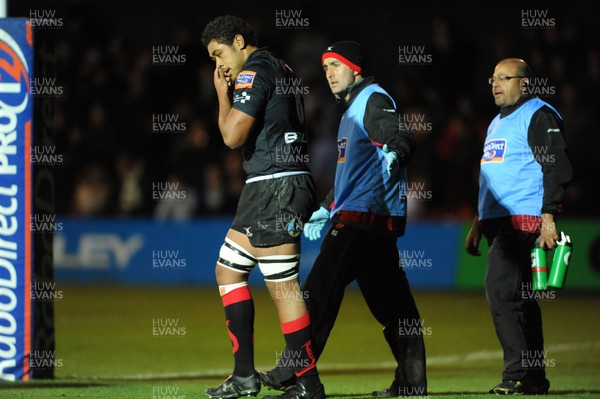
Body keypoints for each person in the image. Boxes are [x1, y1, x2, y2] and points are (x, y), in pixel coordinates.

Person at [258, 41, 427, 398]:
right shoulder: (352, 109)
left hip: (360, 220)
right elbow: (356, 172)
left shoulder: (372, 100)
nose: (329, 73)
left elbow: (400, 135)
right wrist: (328, 204)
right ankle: (412, 384)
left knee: (317, 294)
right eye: (326, 67)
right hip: (367, 219)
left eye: (336, 65)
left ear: (356, 68)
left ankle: (296, 372)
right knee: (395, 307)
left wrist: (396, 150)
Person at [200, 15, 325, 399]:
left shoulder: (255, 72)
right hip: (269, 186)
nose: (218, 65)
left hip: (277, 186)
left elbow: (232, 135)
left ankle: (309, 384)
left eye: (219, 54)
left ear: (239, 41)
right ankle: (244, 377)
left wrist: (221, 94)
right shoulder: (279, 65)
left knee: (284, 287)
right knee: (228, 271)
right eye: (212, 60)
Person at [465, 58, 573, 395]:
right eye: (492, 78)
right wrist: (478, 223)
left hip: (524, 221)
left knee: (500, 291)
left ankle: (518, 373)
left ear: (524, 84)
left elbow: (556, 164)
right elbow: (493, 178)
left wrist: (549, 215)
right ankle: (535, 378)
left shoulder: (538, 114)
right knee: (521, 300)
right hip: (499, 223)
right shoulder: (496, 123)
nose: (495, 84)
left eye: (503, 78)